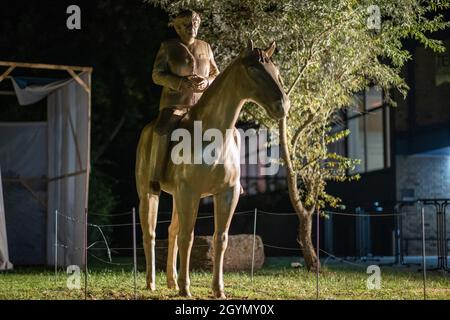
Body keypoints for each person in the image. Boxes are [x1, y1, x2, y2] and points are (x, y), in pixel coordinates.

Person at [149, 10, 219, 194]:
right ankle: (156, 176)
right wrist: (180, 83)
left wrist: (207, 82)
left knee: (227, 127)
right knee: (162, 130)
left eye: (195, 23)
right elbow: (157, 75)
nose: (192, 28)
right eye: (187, 25)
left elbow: (215, 74)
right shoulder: (168, 47)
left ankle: (230, 176)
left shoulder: (206, 47)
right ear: (178, 28)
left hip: (202, 105)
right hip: (176, 103)